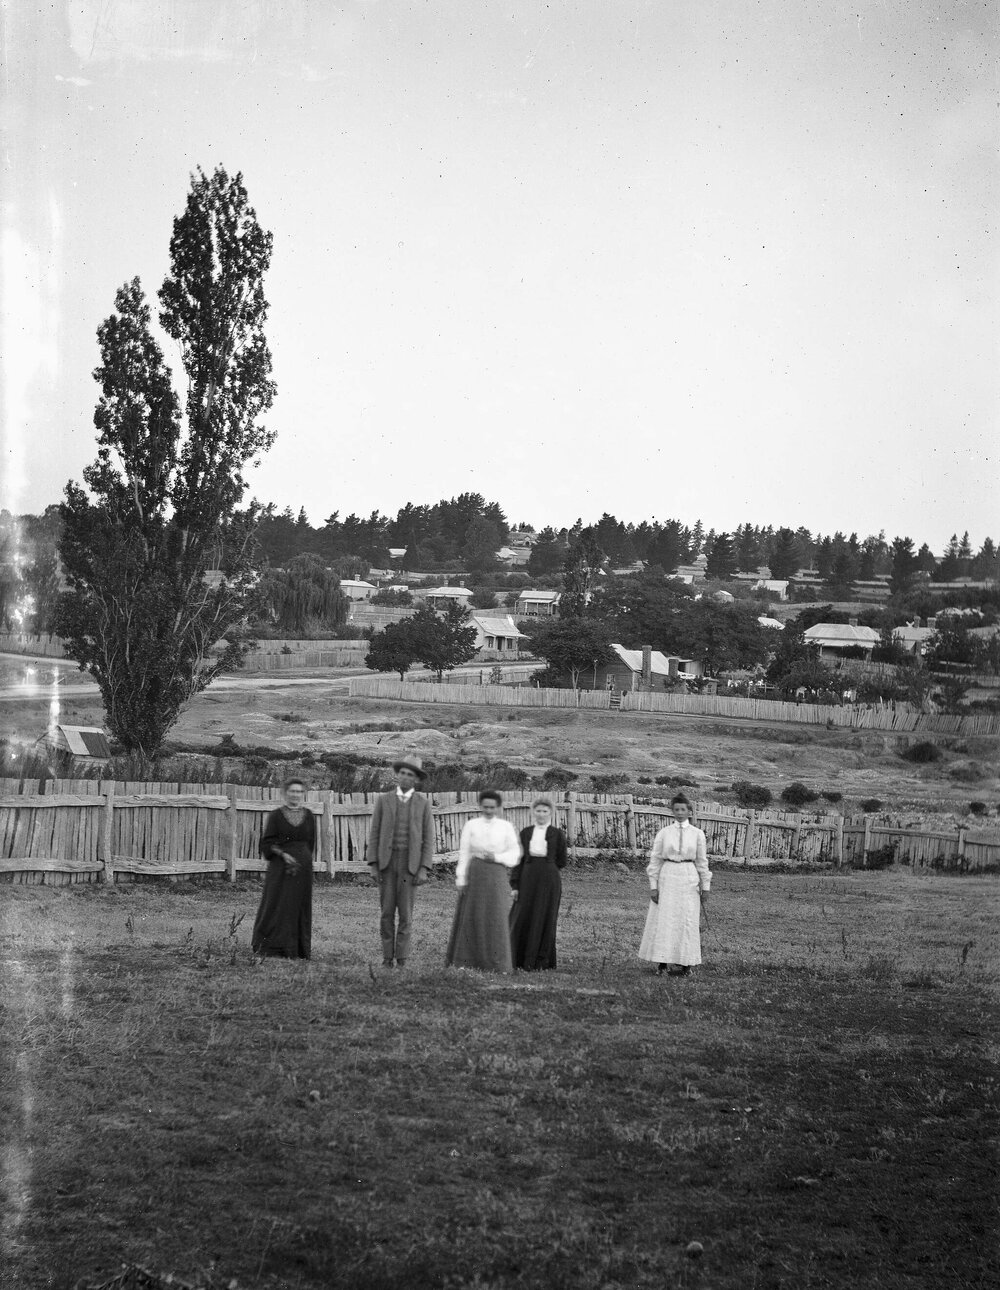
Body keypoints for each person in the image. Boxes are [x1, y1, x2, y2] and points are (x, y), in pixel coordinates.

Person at [367, 754, 435, 968]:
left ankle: (402, 957)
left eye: (410, 775)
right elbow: (375, 833)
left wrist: (423, 868)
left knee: (406, 913)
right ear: (398, 776)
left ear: (416, 779)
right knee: (386, 912)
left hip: (409, 865)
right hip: (387, 864)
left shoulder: (422, 803)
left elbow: (428, 837)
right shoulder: (384, 800)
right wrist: (374, 864)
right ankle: (387, 956)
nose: (405, 778)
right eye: (402, 773)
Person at [446, 790, 520, 972]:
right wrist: (461, 878)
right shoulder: (472, 825)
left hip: (496, 874)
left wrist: (496, 857)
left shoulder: (505, 827)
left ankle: (496, 963)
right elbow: (464, 852)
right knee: (473, 915)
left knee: (496, 916)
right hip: (475, 874)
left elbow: (515, 854)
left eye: (492, 807)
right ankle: (466, 961)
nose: (488, 810)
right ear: (480, 806)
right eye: (485, 807)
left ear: (498, 808)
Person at [638, 792, 711, 976]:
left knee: (687, 921)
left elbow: (702, 862)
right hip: (668, 877)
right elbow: (655, 861)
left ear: (690, 812)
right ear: (672, 812)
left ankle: (686, 965)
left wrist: (706, 886)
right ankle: (662, 964)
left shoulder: (697, 834)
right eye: (676, 809)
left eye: (683, 809)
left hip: (688, 877)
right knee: (666, 920)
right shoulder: (664, 833)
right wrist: (653, 886)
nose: (679, 813)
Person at [252, 777, 316, 959]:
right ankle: (271, 947)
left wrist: (302, 859)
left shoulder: (309, 816)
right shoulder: (276, 816)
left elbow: (310, 843)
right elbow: (267, 843)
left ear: (303, 794)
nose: (296, 795)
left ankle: (296, 949)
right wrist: (283, 855)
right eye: (292, 791)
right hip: (280, 867)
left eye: (299, 791)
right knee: (276, 903)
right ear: (285, 793)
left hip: (302, 868)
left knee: (299, 906)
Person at [509, 798, 568, 970]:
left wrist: (547, 868)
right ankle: (521, 959)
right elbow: (518, 860)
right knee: (523, 915)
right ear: (532, 812)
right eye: (538, 811)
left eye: (545, 811)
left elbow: (562, 860)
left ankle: (541, 960)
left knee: (545, 916)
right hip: (528, 878)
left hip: (549, 880)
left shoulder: (557, 834)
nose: (541, 814)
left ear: (551, 813)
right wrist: (515, 885)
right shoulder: (526, 833)